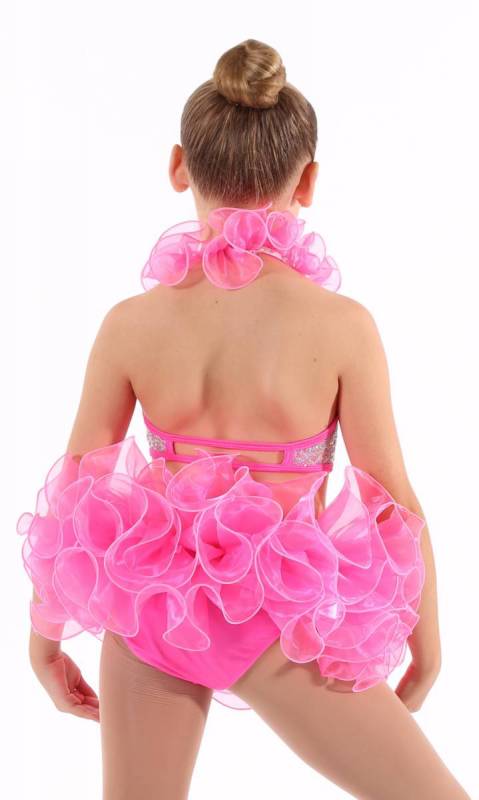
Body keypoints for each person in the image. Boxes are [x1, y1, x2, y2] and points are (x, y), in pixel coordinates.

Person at [17, 38, 471, 800]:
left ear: (178, 166)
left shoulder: (130, 326)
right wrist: (427, 647)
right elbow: (393, 502)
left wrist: (44, 642)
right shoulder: (341, 329)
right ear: (309, 180)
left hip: (150, 616)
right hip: (278, 626)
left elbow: (72, 500)